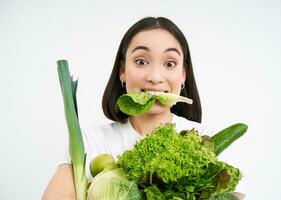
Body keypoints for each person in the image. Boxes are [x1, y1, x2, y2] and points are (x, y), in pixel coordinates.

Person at [42, 17, 244, 200]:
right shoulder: (90, 142)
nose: (155, 77)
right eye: (141, 61)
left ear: (183, 75)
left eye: (170, 63)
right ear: (123, 71)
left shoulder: (207, 141)